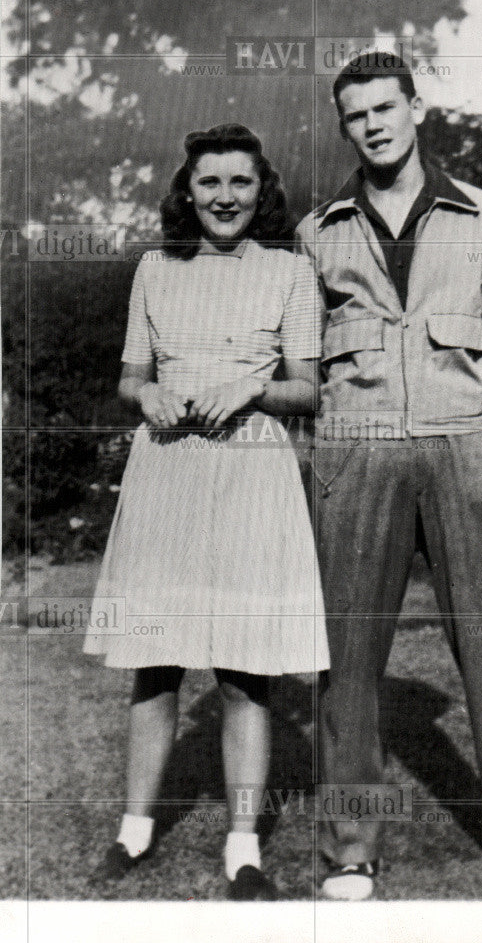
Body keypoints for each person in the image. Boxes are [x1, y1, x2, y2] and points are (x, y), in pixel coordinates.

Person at [295, 52, 482, 902]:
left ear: (416, 108)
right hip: (356, 449)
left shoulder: (478, 211)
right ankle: (351, 848)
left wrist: (470, 398)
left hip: (459, 445)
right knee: (346, 657)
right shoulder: (321, 228)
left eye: (387, 107)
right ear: (344, 126)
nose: (374, 124)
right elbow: (305, 355)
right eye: (356, 115)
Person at [84, 123, 329, 900]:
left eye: (240, 183)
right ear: (187, 191)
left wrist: (250, 389)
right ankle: (133, 830)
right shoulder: (155, 270)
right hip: (168, 471)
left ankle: (242, 849)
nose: (224, 196)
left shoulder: (291, 272)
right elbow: (130, 379)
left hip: (252, 475)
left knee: (243, 676)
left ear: (263, 193)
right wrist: (148, 393)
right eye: (210, 182)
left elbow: (307, 388)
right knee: (154, 668)